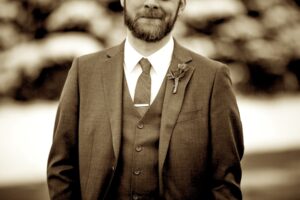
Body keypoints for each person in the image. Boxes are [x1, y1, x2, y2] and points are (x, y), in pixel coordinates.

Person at [47, 0, 244, 199]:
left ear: (181, 4)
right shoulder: (84, 71)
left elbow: (224, 180)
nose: (151, 2)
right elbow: (62, 167)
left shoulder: (213, 77)